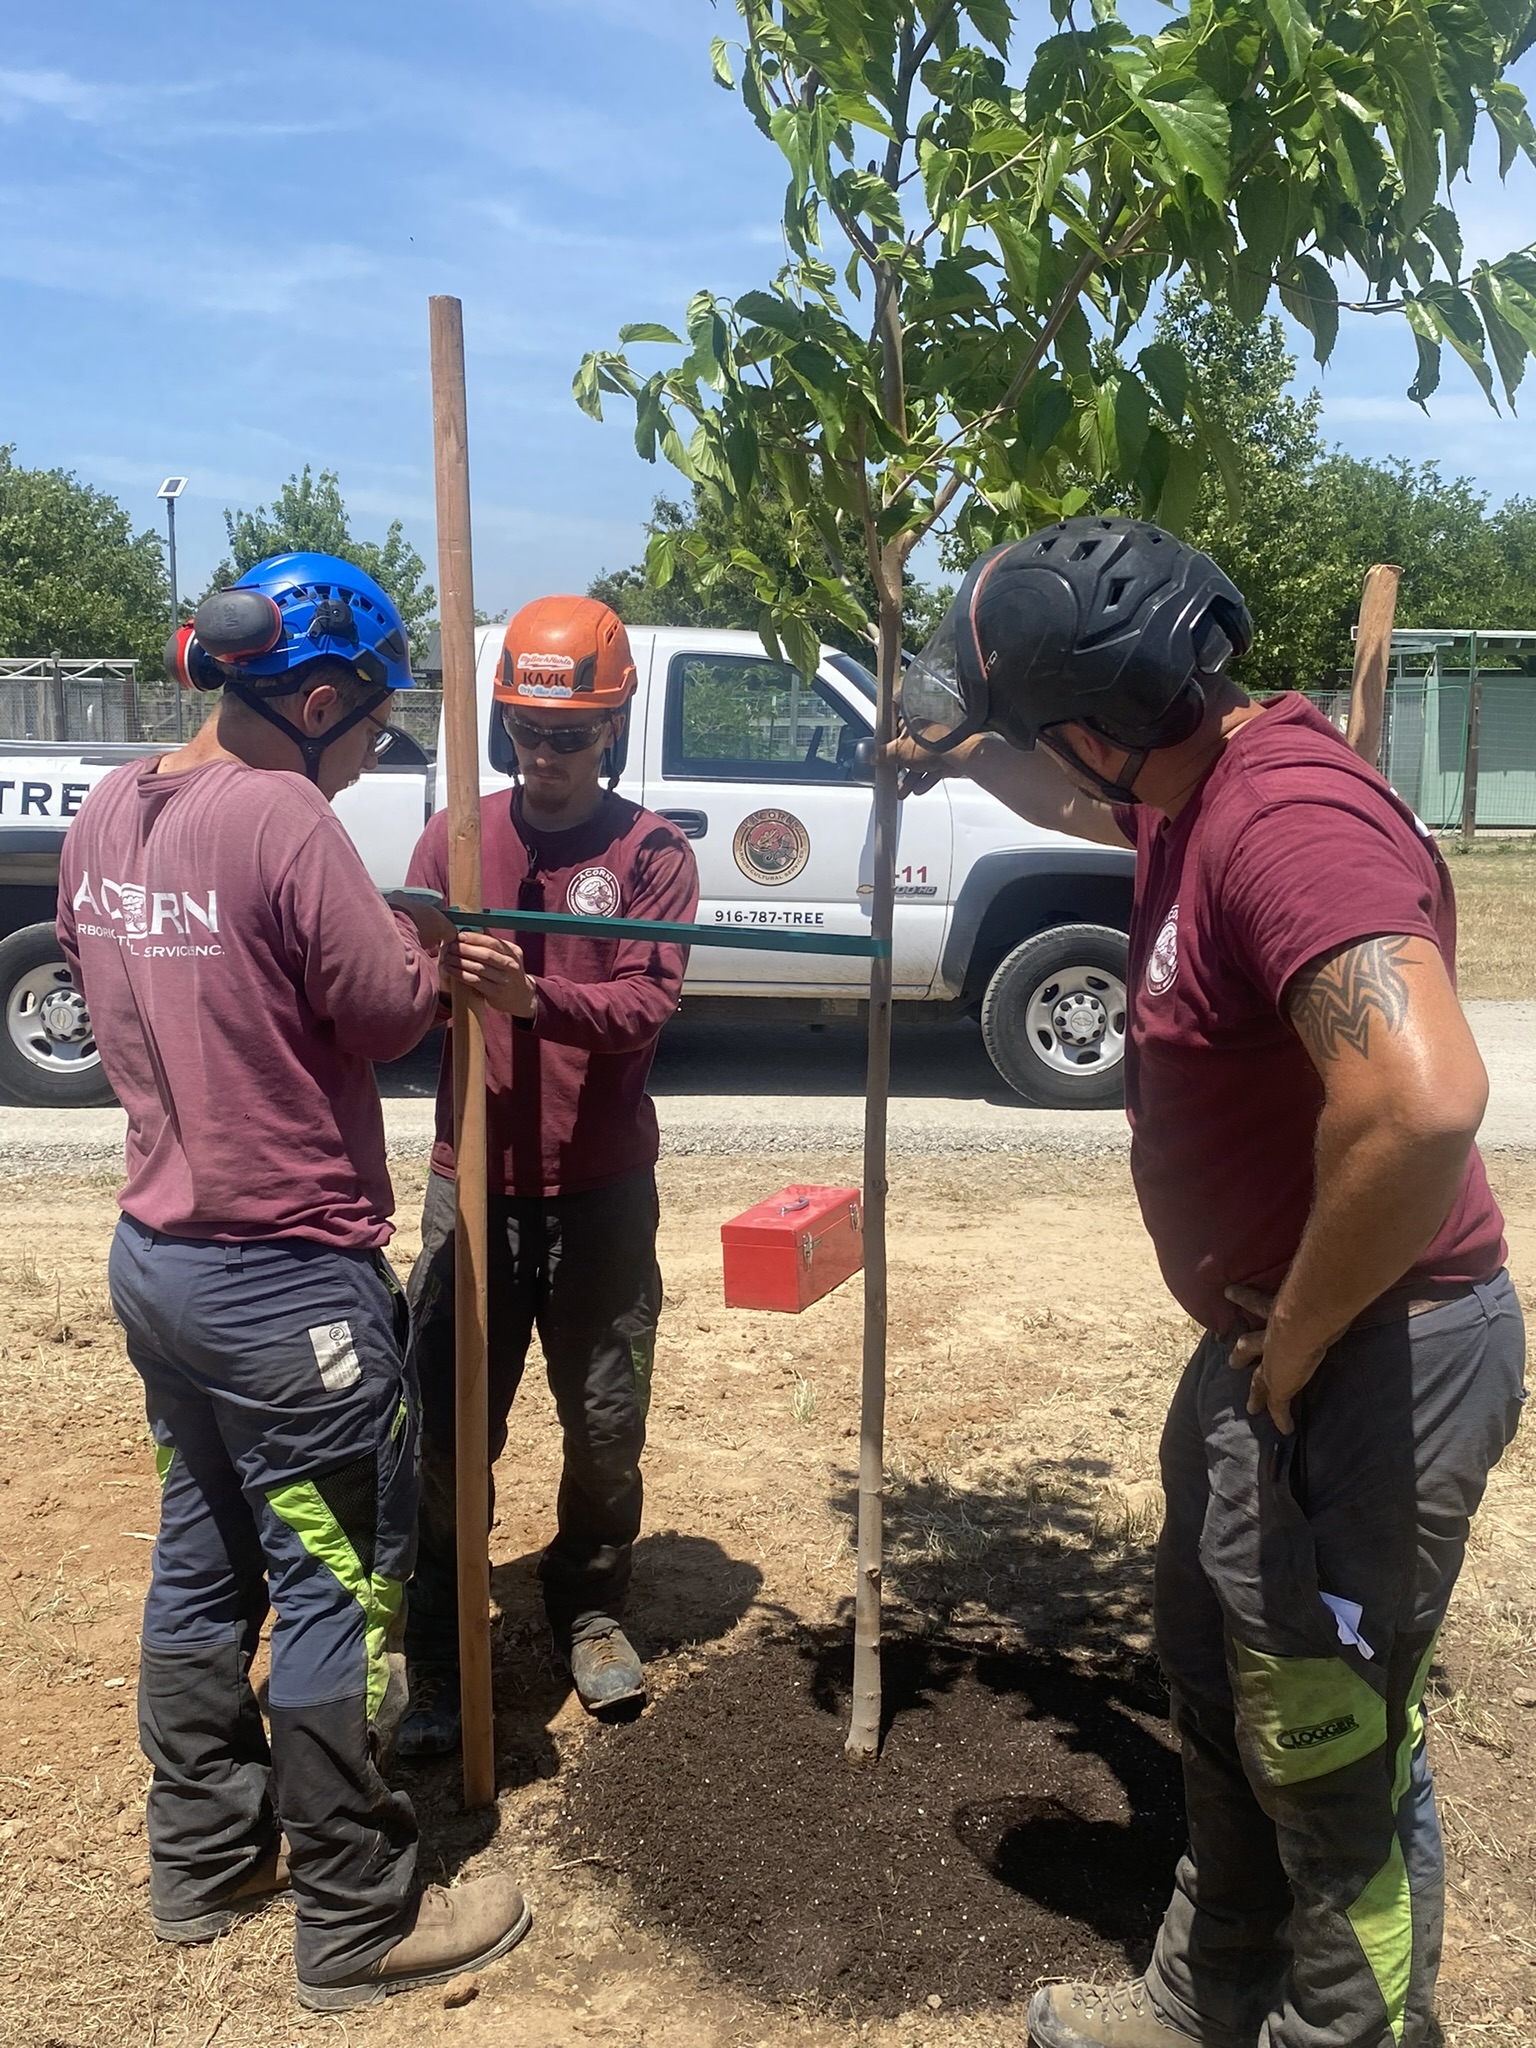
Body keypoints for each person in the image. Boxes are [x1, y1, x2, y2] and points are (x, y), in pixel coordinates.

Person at [891, 517, 1526, 2048]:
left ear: (1101, 724)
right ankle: (1208, 1995)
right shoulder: (1187, 783)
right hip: (1284, 1341)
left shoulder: (1285, 818)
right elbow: (1097, 814)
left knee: (1327, 1740)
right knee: (1214, 1670)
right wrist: (973, 749)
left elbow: (1426, 1101)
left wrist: (1298, 1339)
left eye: (1048, 732)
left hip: (1368, 1347)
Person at [57, 553, 530, 2012]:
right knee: (334, 1583)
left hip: (160, 1260)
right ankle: (355, 1918)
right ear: (313, 700)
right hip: (288, 1287)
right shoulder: (283, 817)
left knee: (202, 1562)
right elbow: (383, 1012)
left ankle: (200, 1860)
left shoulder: (111, 807)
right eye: (375, 729)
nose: (374, 753)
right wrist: (440, 958)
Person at [396, 594, 698, 1759]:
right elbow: (395, 994)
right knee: (449, 1428)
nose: (548, 754)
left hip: (602, 1187)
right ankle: (437, 1648)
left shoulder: (649, 852)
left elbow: (646, 1002)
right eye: (527, 730)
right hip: (469, 1181)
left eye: (571, 734)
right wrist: (438, 985)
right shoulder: (454, 842)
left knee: (605, 1420)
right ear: (503, 727)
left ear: (611, 729)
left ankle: (588, 1602)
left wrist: (535, 995)